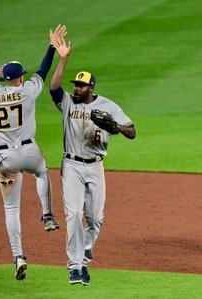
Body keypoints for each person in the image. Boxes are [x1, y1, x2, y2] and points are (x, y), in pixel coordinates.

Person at [0, 25, 67, 281]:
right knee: (41, 173)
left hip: (6, 159)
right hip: (29, 151)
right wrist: (52, 46)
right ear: (19, 78)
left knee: (11, 209)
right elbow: (43, 70)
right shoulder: (28, 89)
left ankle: (18, 256)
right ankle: (48, 215)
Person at [49, 36, 136, 286]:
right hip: (72, 166)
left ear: (91, 88)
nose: (76, 88)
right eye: (75, 85)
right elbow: (54, 88)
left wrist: (116, 127)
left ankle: (84, 256)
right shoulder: (67, 103)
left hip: (96, 165)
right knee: (74, 214)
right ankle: (75, 266)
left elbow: (132, 131)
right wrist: (63, 59)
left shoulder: (108, 105)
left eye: (81, 86)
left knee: (95, 217)